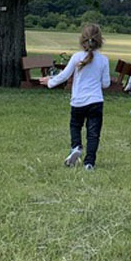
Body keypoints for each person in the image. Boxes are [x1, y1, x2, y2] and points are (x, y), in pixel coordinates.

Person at [46, 23, 111, 170]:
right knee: (93, 134)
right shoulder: (104, 60)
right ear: (100, 40)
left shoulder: (77, 57)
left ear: (82, 40)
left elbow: (64, 76)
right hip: (96, 101)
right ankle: (89, 163)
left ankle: (76, 146)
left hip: (78, 102)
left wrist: (50, 82)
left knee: (75, 126)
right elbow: (106, 84)